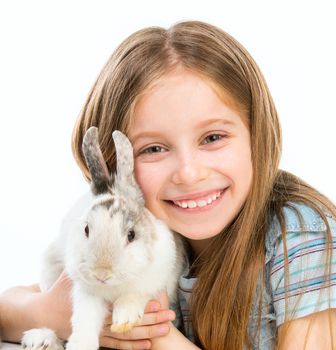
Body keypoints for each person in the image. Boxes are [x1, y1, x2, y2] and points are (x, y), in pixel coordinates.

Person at [0, 20, 335, 350]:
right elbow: (13, 306)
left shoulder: (303, 236)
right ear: (118, 167)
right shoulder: (144, 227)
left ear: (256, 135)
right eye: (154, 149)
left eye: (213, 137)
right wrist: (49, 313)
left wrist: (154, 332)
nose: (189, 174)